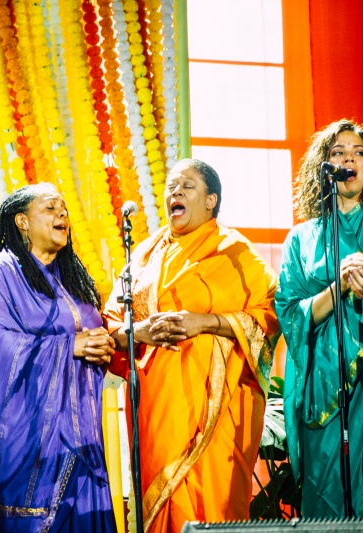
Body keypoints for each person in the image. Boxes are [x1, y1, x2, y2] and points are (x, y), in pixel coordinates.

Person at [103, 158, 279, 532]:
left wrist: (206, 322)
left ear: (211, 200)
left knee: (211, 508)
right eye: (171, 186)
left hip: (217, 415)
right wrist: (140, 331)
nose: (176, 192)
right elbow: (111, 323)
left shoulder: (235, 252)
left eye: (187, 185)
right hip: (156, 411)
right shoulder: (143, 255)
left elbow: (268, 317)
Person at [0, 182, 117, 533]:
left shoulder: (72, 278)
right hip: (31, 438)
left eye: (64, 209)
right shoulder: (3, 271)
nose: (62, 214)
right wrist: (70, 347)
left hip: (82, 436)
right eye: (50, 208)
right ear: (22, 221)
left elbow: (92, 329)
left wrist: (104, 343)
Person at [276, 119, 363, 517]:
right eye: (338, 152)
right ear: (325, 167)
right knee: (326, 493)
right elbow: (289, 312)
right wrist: (339, 286)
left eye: (358, 152)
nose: (349, 159)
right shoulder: (302, 238)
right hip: (323, 385)